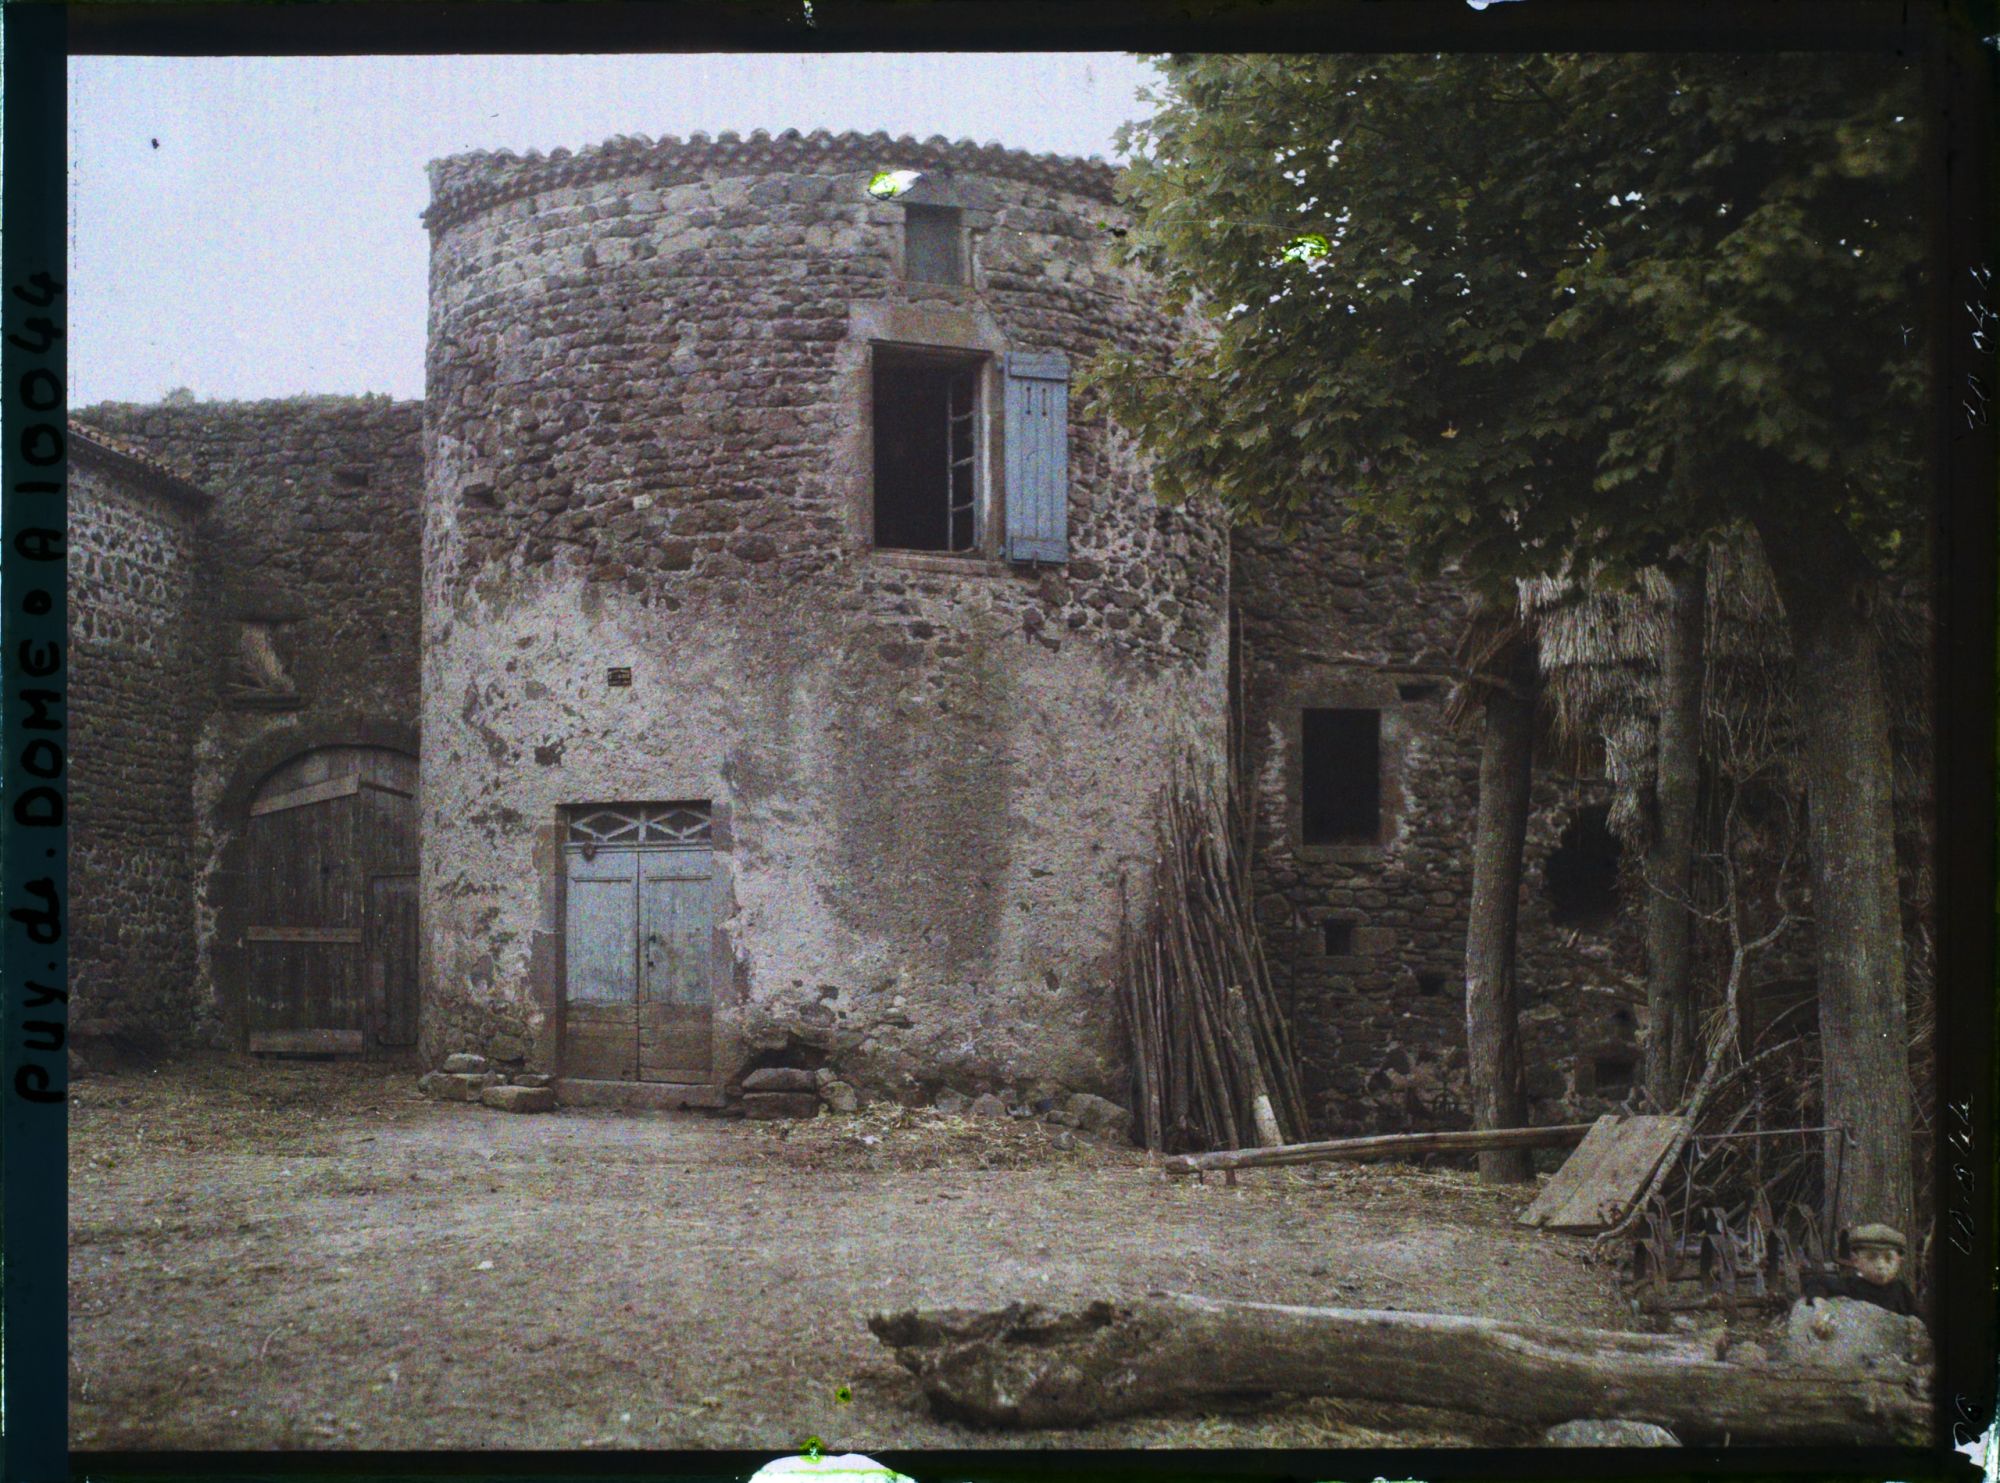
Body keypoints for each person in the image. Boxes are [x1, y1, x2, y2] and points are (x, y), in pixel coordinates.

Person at [1801, 1223, 1917, 1315]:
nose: (1881, 1266)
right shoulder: (1850, 1286)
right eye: (1871, 1257)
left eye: (1888, 1258)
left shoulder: (1901, 1291)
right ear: (1855, 1260)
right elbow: (1817, 1283)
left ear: (1899, 1261)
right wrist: (1820, 1306)